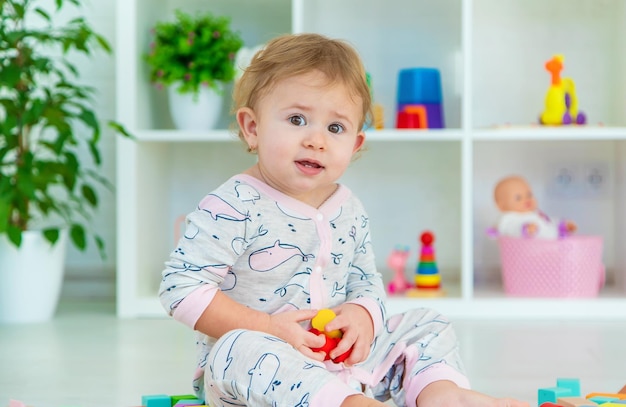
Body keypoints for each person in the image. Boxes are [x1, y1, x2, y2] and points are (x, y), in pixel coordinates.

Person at [159, 33, 529, 407]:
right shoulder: (233, 203)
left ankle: (442, 396)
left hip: (344, 365)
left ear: (355, 145)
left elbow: (365, 279)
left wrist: (362, 315)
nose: (316, 140)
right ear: (252, 128)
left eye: (335, 128)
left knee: (426, 322)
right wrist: (268, 327)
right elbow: (181, 288)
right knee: (238, 347)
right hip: (263, 377)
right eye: (297, 119)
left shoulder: (348, 207)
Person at [494, 175, 577, 239]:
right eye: (518, 198)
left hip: (549, 248)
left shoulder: (535, 214)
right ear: (502, 206)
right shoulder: (508, 218)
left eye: (529, 195)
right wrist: (524, 229)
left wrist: (561, 226)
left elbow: (547, 223)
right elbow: (508, 229)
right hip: (528, 253)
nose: (527, 199)